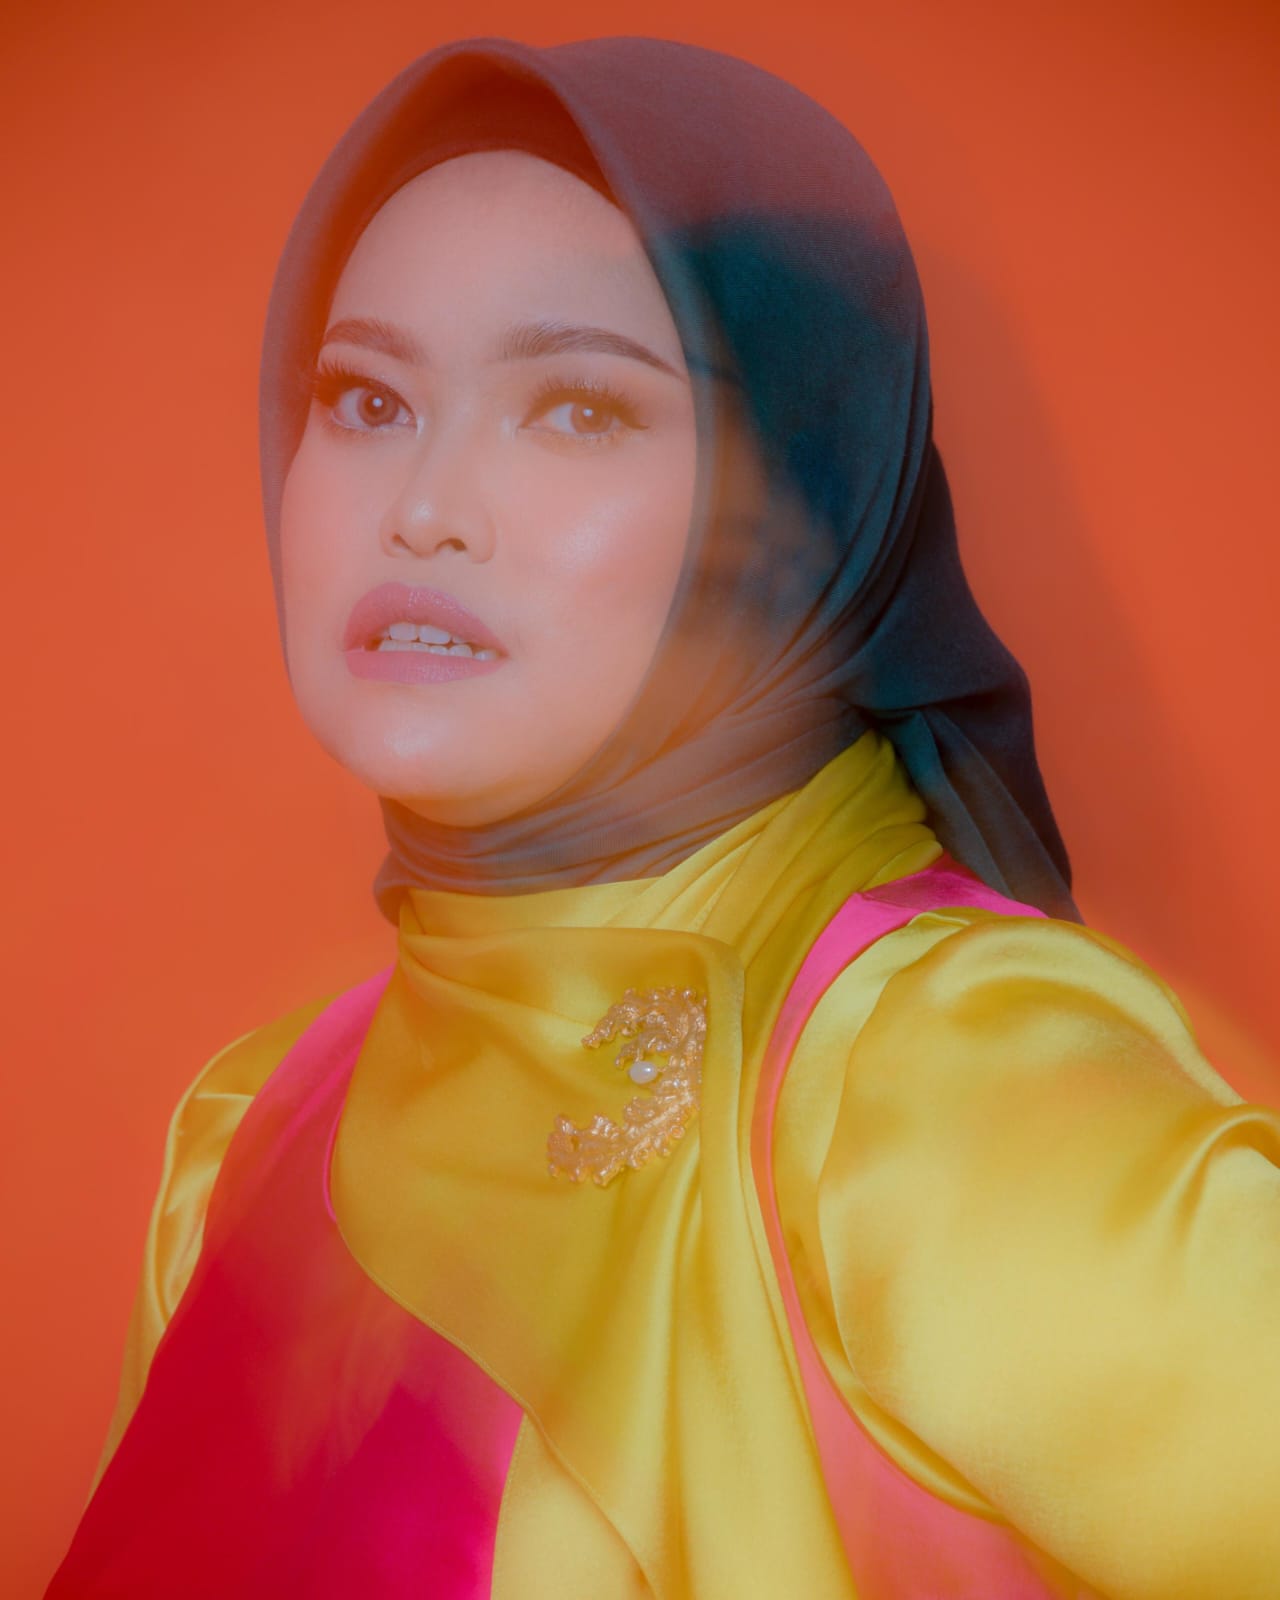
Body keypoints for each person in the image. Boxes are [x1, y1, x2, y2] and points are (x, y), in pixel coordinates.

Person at [47, 36, 1280, 1600]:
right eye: (366, 397)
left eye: (576, 410)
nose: (423, 506)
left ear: (805, 505)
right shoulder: (250, 1128)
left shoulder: (931, 1085)